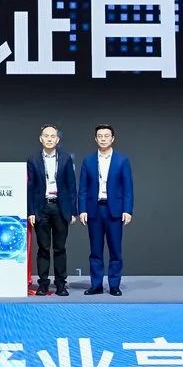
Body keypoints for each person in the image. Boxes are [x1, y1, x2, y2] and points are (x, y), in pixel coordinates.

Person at [77, 123, 132, 296]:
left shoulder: (122, 160)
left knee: (115, 250)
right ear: (95, 139)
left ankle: (114, 285)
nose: (103, 139)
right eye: (100, 136)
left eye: (106, 136)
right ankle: (96, 285)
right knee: (95, 250)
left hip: (114, 210)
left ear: (112, 138)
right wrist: (82, 209)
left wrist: (127, 210)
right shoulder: (88, 160)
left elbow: (128, 188)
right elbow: (83, 187)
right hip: (94, 210)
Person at [26, 124, 77, 296]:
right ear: (41, 139)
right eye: (46, 136)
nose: (49, 139)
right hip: (41, 208)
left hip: (61, 208)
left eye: (52, 136)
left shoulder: (65, 158)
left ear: (57, 139)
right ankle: (43, 284)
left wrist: (73, 211)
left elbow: (71, 186)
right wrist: (31, 212)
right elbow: (30, 188)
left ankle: (61, 284)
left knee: (60, 248)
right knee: (43, 248)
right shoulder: (33, 159)